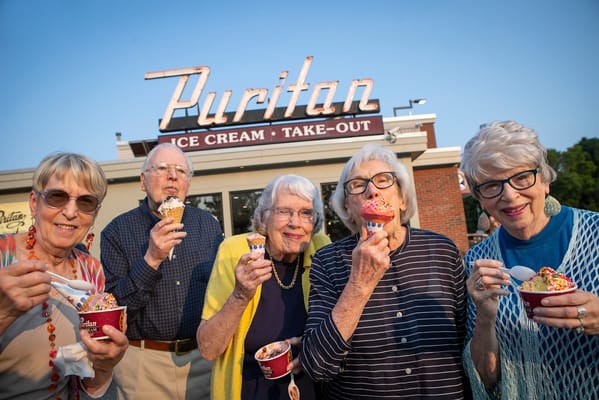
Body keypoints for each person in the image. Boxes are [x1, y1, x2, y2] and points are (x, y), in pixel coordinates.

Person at [300, 143, 470, 399]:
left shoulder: (442, 250)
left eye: (384, 180)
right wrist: (358, 285)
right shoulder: (328, 261)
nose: (372, 190)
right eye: (358, 185)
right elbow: (317, 365)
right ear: (347, 208)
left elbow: (467, 344)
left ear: (402, 199)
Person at [460, 120, 599, 399]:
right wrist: (485, 321)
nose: (510, 195)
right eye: (491, 185)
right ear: (480, 198)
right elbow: (487, 378)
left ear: (545, 179)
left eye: (522, 177)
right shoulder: (478, 262)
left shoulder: (595, 234)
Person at [0, 152, 128, 399]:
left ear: (95, 213)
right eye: (57, 197)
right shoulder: (4, 258)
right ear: (34, 202)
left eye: (86, 202)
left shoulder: (91, 270)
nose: (71, 212)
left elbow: (88, 376)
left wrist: (104, 366)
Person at [100, 143, 223, 400]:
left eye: (181, 170)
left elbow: (220, 294)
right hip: (142, 364)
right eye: (162, 168)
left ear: (187, 183)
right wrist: (151, 259)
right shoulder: (116, 232)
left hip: (202, 361)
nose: (172, 176)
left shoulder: (208, 227)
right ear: (143, 181)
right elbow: (115, 313)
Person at [197, 174, 331, 400]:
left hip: (313, 389)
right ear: (264, 217)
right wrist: (240, 295)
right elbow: (208, 348)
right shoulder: (235, 252)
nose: (295, 222)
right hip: (252, 389)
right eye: (283, 211)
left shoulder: (321, 249)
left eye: (306, 213)